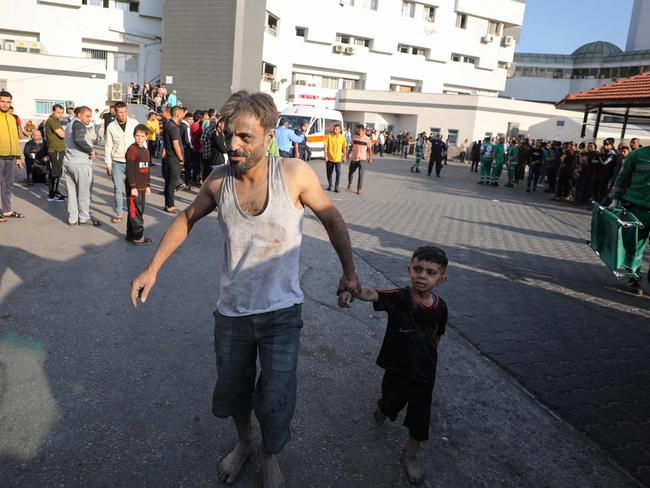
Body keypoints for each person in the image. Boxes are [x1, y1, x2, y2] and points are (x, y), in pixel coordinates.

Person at [130, 90, 360, 488]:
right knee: (235, 392)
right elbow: (186, 218)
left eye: (245, 138)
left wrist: (349, 274)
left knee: (276, 397)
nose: (233, 145)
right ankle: (244, 443)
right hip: (232, 311)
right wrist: (152, 268)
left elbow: (333, 221)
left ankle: (270, 454)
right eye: (229, 136)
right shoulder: (218, 181)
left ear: (269, 136)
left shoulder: (294, 174)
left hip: (282, 313)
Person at [338, 246, 448, 485]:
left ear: (441, 278)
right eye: (417, 269)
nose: (422, 275)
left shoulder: (441, 308)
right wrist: (352, 290)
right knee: (390, 403)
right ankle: (384, 408)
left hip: (424, 374)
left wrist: (429, 358)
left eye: (430, 272)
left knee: (420, 418)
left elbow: (437, 336)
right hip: (397, 369)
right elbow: (372, 293)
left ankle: (410, 456)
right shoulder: (399, 296)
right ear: (409, 269)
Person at [609, 144, 650, 294]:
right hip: (638, 207)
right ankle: (634, 277)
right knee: (635, 245)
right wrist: (615, 199)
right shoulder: (637, 154)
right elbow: (623, 177)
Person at [63, 106, 99, 226]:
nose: (89, 119)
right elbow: (79, 139)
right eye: (87, 116)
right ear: (79, 115)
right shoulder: (79, 124)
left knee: (71, 193)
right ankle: (84, 217)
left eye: (90, 116)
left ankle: (72, 218)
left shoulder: (69, 124)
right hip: (80, 163)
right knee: (84, 192)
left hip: (68, 161)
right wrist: (90, 151)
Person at [105, 102, 138, 224]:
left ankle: (133, 211)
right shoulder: (111, 127)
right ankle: (119, 213)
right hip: (116, 162)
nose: (123, 115)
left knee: (132, 188)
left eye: (125, 112)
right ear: (115, 112)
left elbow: (141, 141)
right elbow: (108, 146)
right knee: (118, 189)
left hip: (132, 162)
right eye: (120, 112)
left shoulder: (134, 123)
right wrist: (108, 164)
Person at [0, 90, 25, 222]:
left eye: (8, 102)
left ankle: (7, 210)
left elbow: (15, 139)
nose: (5, 105)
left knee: (8, 185)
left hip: (11, 156)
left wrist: (18, 157)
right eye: (2, 101)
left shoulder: (12, 118)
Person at [125, 124, 152, 245]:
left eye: (142, 136)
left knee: (138, 211)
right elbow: (130, 169)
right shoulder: (132, 149)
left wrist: (148, 185)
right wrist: (133, 187)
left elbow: (147, 169)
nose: (139, 138)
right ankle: (138, 237)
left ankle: (130, 234)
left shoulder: (146, 151)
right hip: (134, 188)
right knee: (135, 213)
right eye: (137, 135)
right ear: (134, 136)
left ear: (146, 137)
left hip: (142, 187)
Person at [161, 106, 185, 213]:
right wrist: (181, 158)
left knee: (168, 183)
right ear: (178, 114)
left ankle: (167, 204)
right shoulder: (173, 127)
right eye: (182, 114)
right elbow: (176, 144)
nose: (183, 116)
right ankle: (170, 205)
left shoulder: (167, 124)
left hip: (169, 157)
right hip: (174, 159)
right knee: (172, 184)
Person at [44, 104, 67, 202]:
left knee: (58, 172)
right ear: (53, 111)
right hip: (55, 150)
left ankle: (55, 191)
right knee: (55, 172)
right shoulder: (52, 121)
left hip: (59, 149)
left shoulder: (56, 120)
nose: (60, 114)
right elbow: (62, 134)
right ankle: (52, 194)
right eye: (58, 112)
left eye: (62, 113)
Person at [346, 124, 373, 195]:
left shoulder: (367, 139)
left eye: (359, 130)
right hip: (354, 158)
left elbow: (369, 149)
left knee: (361, 175)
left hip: (362, 159)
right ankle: (350, 183)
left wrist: (370, 158)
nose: (357, 131)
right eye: (357, 130)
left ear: (363, 130)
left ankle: (359, 189)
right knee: (351, 172)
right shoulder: (354, 137)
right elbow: (351, 147)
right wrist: (347, 155)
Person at [323, 123, 347, 192]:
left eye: (336, 129)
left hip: (338, 159)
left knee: (338, 172)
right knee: (329, 173)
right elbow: (325, 146)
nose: (335, 130)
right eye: (334, 129)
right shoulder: (328, 136)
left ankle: (336, 187)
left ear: (340, 130)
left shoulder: (342, 137)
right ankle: (330, 185)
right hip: (329, 158)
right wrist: (326, 155)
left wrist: (345, 156)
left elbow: (344, 148)